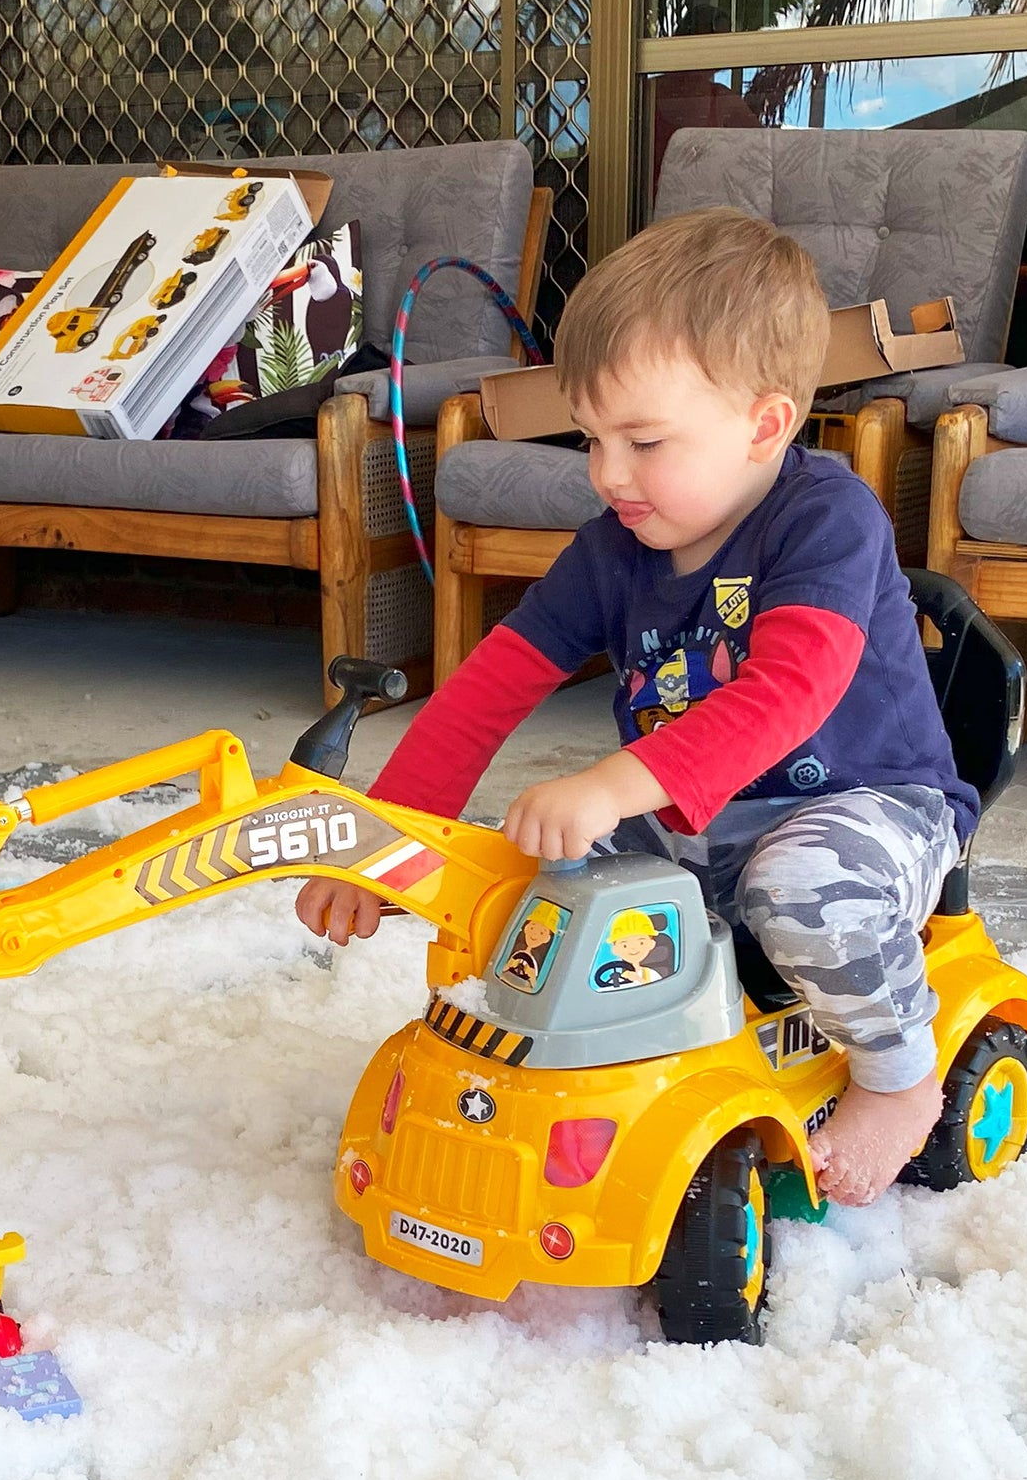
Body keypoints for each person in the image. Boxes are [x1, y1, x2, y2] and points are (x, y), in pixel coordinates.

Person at [296, 207, 979, 1210]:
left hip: (867, 807)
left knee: (796, 888)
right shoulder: (614, 548)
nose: (608, 474)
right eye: (592, 438)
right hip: (698, 823)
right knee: (547, 897)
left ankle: (898, 1076)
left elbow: (787, 693)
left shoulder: (826, 519)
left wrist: (619, 782)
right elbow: (489, 689)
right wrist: (390, 843)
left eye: (645, 441)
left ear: (765, 421)